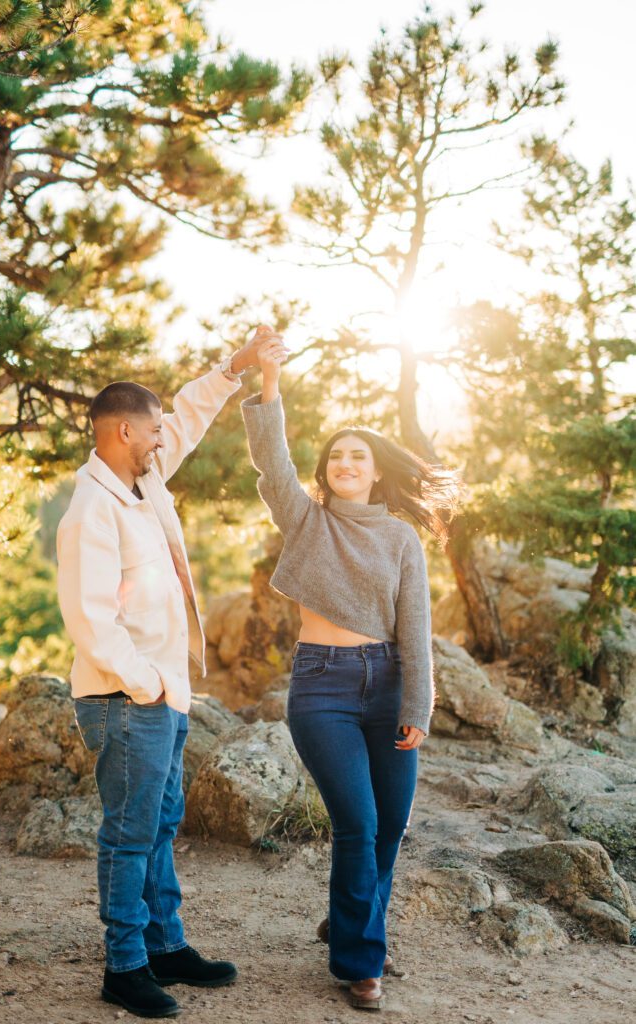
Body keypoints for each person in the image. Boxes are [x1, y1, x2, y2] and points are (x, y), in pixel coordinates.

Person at [241, 326, 461, 1012]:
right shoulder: (304, 520)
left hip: (387, 683)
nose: (345, 461)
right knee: (357, 824)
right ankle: (360, 961)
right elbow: (271, 463)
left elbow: (416, 628)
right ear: (326, 470)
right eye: (335, 454)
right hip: (322, 689)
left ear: (374, 471)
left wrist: (416, 708)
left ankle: (349, 919)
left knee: (389, 826)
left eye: (357, 455)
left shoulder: (398, 536)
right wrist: (271, 384)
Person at [56, 338, 262, 1019]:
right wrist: (145, 684)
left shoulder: (143, 482)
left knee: (161, 822)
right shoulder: (93, 510)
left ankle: (165, 945)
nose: (160, 439)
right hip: (126, 698)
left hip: (161, 694)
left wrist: (233, 369)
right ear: (122, 431)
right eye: (150, 430)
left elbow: (188, 417)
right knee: (129, 833)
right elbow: (90, 619)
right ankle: (125, 966)